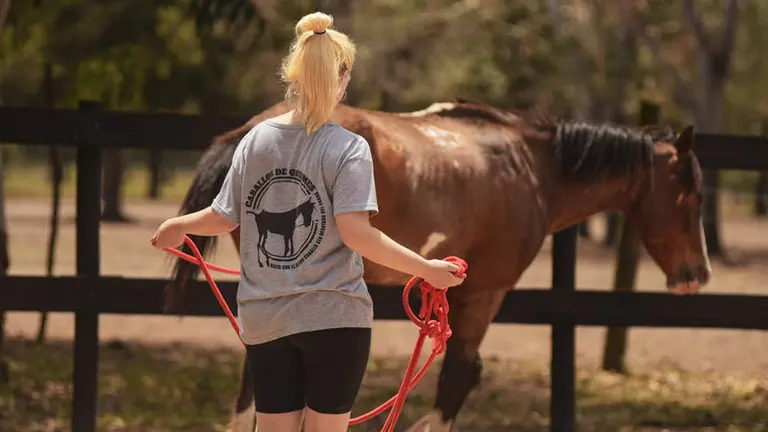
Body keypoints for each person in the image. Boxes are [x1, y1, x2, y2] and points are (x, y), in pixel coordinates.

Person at [150, 11, 465, 432]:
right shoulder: (348, 149)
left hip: (265, 320)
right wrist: (427, 269)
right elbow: (357, 234)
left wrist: (179, 225)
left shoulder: (255, 140)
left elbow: (223, 217)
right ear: (342, 80)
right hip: (333, 318)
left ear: (293, 77)